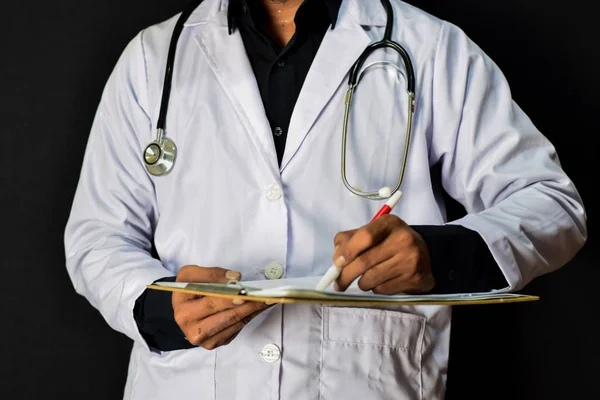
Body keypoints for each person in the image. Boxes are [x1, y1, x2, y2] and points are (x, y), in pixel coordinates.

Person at [63, 0, 587, 399]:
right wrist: (161, 307)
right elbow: (97, 237)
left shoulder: (431, 48)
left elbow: (552, 205)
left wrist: (438, 255)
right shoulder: (154, 60)